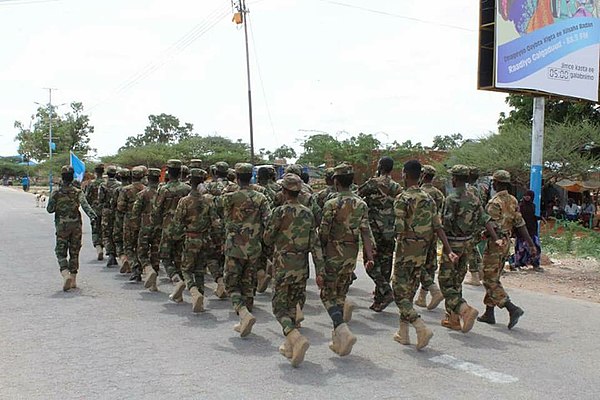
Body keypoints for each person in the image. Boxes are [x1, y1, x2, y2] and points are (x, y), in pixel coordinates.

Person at [391, 160, 457, 350]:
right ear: (420, 175)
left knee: (398, 292)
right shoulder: (429, 199)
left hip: (406, 251)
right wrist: (449, 250)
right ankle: (403, 333)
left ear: (404, 174)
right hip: (422, 251)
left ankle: (420, 327)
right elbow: (438, 227)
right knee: (410, 291)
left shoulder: (402, 199)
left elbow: (399, 229)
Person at [263, 173, 325, 367]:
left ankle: (295, 337)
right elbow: (315, 245)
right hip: (301, 268)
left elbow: (267, 238)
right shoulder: (307, 213)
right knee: (294, 305)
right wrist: (320, 271)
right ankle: (290, 347)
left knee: (279, 308)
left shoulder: (279, 212)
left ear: (283, 191)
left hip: (282, 266)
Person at [319, 163, 375, 357]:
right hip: (351, 254)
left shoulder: (331, 204)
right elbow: (366, 232)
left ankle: (342, 330)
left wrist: (320, 255)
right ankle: (338, 341)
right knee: (340, 294)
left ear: (335, 181)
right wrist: (369, 255)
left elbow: (324, 233)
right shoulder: (361, 204)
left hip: (333, 253)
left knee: (326, 295)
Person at [438, 165, 500, 332]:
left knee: (445, 283)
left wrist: (447, 247)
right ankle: (453, 320)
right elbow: (485, 219)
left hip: (453, 243)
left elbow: (443, 224)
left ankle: (464, 309)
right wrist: (496, 238)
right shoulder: (474, 198)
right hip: (468, 244)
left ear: (455, 179)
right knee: (457, 281)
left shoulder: (451, 199)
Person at [477, 170, 537, 330]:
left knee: (488, 278)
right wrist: (531, 244)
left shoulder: (494, 202)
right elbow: (520, 223)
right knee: (494, 276)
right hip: (506, 243)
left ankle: (511, 308)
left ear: (496, 183)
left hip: (495, 243)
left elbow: (490, 225)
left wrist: (485, 235)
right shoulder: (512, 200)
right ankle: (489, 313)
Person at [222, 163, 270, 337]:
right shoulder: (261, 198)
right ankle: (245, 318)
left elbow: (224, 220)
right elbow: (268, 221)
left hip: (234, 246)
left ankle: (243, 312)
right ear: (251, 176)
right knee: (249, 284)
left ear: (236, 176)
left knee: (231, 284)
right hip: (253, 247)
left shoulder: (228, 197)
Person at [171, 168, 222, 313]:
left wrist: (176, 238)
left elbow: (177, 223)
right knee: (200, 270)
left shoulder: (185, 201)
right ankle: (199, 298)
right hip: (205, 239)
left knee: (186, 269)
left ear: (189, 181)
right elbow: (215, 222)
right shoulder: (209, 201)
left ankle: (194, 292)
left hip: (190, 238)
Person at [357, 156, 401, 312]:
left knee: (370, 263)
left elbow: (357, 194)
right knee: (386, 263)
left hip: (374, 230)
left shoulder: (373, 183)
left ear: (380, 167)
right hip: (390, 231)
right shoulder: (396, 187)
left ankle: (385, 290)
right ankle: (379, 299)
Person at [47, 166, 97, 291]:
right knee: (74, 252)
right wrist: (93, 216)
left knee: (60, 252)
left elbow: (49, 209)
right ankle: (73, 279)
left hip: (62, 226)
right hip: (76, 226)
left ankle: (65, 273)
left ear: (62, 177)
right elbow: (85, 206)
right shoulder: (78, 192)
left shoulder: (56, 193)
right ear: (72, 176)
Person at [152, 159, 191, 299]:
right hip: (184, 227)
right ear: (180, 172)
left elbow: (156, 210)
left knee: (165, 257)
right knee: (180, 257)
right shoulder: (187, 189)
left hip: (168, 227)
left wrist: (156, 226)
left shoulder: (163, 189)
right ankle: (180, 289)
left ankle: (176, 279)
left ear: (168, 172)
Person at [415, 164, 445, 310]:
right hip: (433, 232)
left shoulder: (418, 193)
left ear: (423, 176)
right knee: (430, 264)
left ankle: (424, 294)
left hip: (418, 234)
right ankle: (423, 296)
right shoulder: (439, 194)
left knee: (415, 263)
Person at [133, 168, 162, 291]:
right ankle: (154, 284)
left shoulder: (142, 194)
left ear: (148, 178)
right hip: (159, 226)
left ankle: (148, 269)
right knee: (155, 253)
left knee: (142, 252)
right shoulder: (163, 193)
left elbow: (135, 211)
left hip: (145, 225)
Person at [117, 166, 147, 282]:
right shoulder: (146, 189)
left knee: (129, 246)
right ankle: (143, 267)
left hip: (129, 221)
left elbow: (120, 207)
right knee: (140, 246)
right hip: (143, 221)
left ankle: (135, 268)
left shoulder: (125, 190)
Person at [514, 190, 543, 272]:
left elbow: (531, 216)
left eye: (529, 195)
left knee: (536, 247)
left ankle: (535, 264)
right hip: (521, 231)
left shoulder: (533, 206)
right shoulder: (520, 206)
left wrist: (539, 217)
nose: (527, 197)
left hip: (532, 230)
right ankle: (518, 265)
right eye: (525, 195)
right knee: (520, 249)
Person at [98, 165, 121, 267]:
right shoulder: (120, 186)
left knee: (107, 233)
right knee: (117, 232)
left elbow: (100, 199)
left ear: (107, 174)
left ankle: (110, 254)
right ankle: (119, 253)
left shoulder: (103, 185)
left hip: (107, 211)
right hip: (117, 211)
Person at [84, 163, 105, 260]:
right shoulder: (106, 183)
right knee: (106, 230)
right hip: (105, 210)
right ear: (103, 171)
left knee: (95, 230)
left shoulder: (91, 184)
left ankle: (98, 248)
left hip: (95, 210)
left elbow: (86, 198)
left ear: (95, 172)